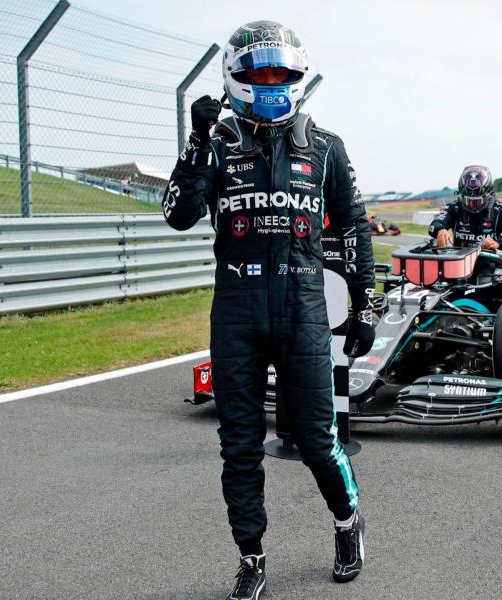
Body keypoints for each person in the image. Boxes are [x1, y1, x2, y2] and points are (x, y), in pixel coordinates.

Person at [162, 20, 374, 599]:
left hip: (303, 307)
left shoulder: (326, 146)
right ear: (237, 76)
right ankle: (252, 559)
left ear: (299, 75)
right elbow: (178, 214)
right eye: (260, 72)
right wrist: (196, 145)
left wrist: (366, 303)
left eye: (281, 71)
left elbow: (354, 227)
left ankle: (348, 523)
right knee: (239, 445)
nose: (272, 81)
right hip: (236, 309)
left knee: (314, 437)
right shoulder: (218, 141)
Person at [429, 165, 502, 252]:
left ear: (489, 195)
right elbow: (434, 226)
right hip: (460, 262)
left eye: (478, 201)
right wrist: (440, 230)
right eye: (468, 200)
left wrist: (498, 243)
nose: (473, 205)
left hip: (490, 262)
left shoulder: (499, 210)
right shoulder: (454, 208)